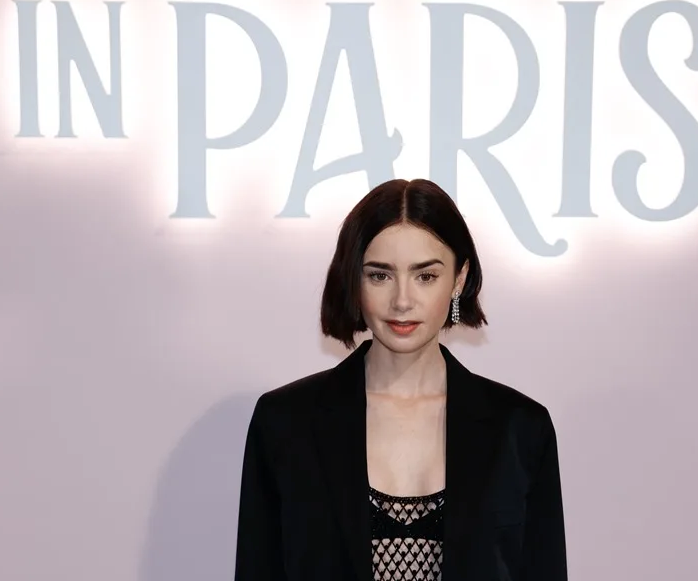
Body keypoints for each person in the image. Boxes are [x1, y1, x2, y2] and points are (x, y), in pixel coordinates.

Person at [234, 178, 567, 580]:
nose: (402, 301)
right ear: (354, 279)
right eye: (380, 276)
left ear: (459, 279)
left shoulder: (520, 429)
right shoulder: (286, 423)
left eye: (425, 276)